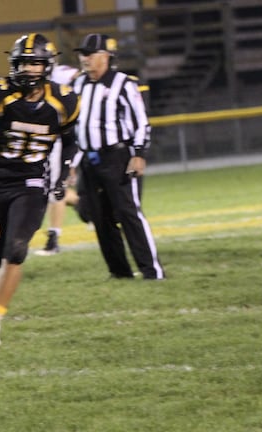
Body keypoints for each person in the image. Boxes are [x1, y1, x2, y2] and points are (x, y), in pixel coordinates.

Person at [0, 33, 80, 346]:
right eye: (22, 63)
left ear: (46, 66)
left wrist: (63, 174)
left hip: (32, 182)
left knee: (16, 251)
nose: (27, 69)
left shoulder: (64, 100)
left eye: (34, 63)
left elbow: (70, 141)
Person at [71, 34, 165, 280]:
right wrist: (72, 162)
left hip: (117, 157)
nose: (84, 58)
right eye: (82, 54)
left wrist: (139, 154)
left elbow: (141, 122)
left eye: (89, 54)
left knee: (128, 213)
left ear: (105, 56)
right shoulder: (78, 84)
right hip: (89, 160)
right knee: (98, 217)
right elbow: (74, 127)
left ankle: (151, 270)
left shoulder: (123, 83)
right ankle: (119, 271)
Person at [34, 64, 84, 256]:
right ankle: (87, 206)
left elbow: (82, 77)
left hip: (62, 140)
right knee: (46, 190)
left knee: (55, 189)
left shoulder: (62, 74)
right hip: (41, 140)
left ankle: (53, 238)